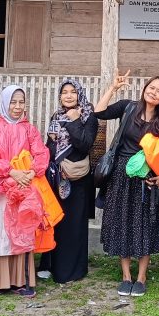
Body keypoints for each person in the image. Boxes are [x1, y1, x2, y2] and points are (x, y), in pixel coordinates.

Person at [94, 71, 159, 298]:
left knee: (145, 224)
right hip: (121, 174)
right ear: (145, 88)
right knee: (122, 222)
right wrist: (113, 88)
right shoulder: (127, 107)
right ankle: (125, 276)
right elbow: (98, 112)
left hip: (147, 179)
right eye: (152, 88)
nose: (154, 92)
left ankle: (141, 277)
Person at [0, 85, 49, 296]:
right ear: (4, 103)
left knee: (23, 230)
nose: (17, 107)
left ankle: (21, 281)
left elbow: (41, 153)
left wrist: (32, 173)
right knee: (0, 232)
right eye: (13, 102)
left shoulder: (30, 130)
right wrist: (12, 172)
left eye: (21, 102)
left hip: (25, 189)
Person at [38, 78, 99, 284]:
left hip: (77, 180)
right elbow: (50, 144)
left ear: (79, 94)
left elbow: (84, 144)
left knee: (73, 225)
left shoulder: (88, 117)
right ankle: (49, 265)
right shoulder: (57, 115)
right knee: (55, 221)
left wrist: (73, 121)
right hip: (55, 177)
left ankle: (71, 271)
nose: (69, 95)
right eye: (65, 92)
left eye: (73, 91)